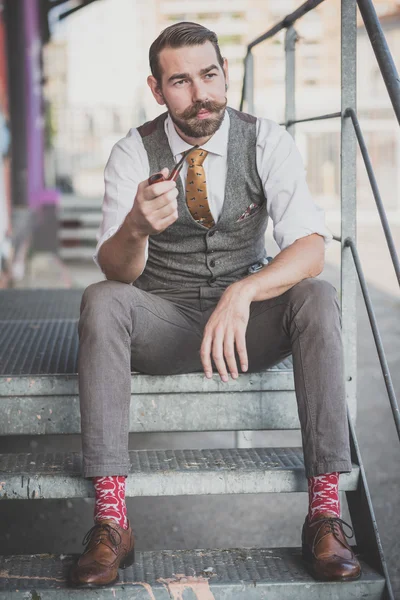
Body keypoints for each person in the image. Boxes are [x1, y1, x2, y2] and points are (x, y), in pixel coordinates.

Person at [70, 21, 361, 588]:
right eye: (180, 81)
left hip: (246, 325)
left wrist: (245, 291)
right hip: (164, 322)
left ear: (225, 74)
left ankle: (325, 514)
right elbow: (117, 270)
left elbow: (309, 248)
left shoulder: (267, 139)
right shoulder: (132, 150)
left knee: (317, 297)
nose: (200, 93)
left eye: (209, 75)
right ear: (157, 90)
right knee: (101, 300)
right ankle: (112, 523)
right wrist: (135, 226)